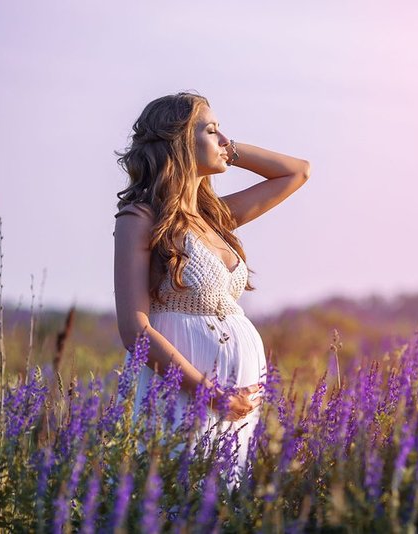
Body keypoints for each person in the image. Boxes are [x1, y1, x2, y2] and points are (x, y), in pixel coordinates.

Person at [113, 91, 310, 489]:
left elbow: (298, 172)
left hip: (236, 402)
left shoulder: (215, 218)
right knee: (173, 501)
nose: (224, 140)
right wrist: (210, 394)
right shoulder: (141, 218)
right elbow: (135, 330)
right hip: (185, 392)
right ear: (180, 141)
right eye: (212, 130)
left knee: (219, 509)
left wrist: (227, 148)